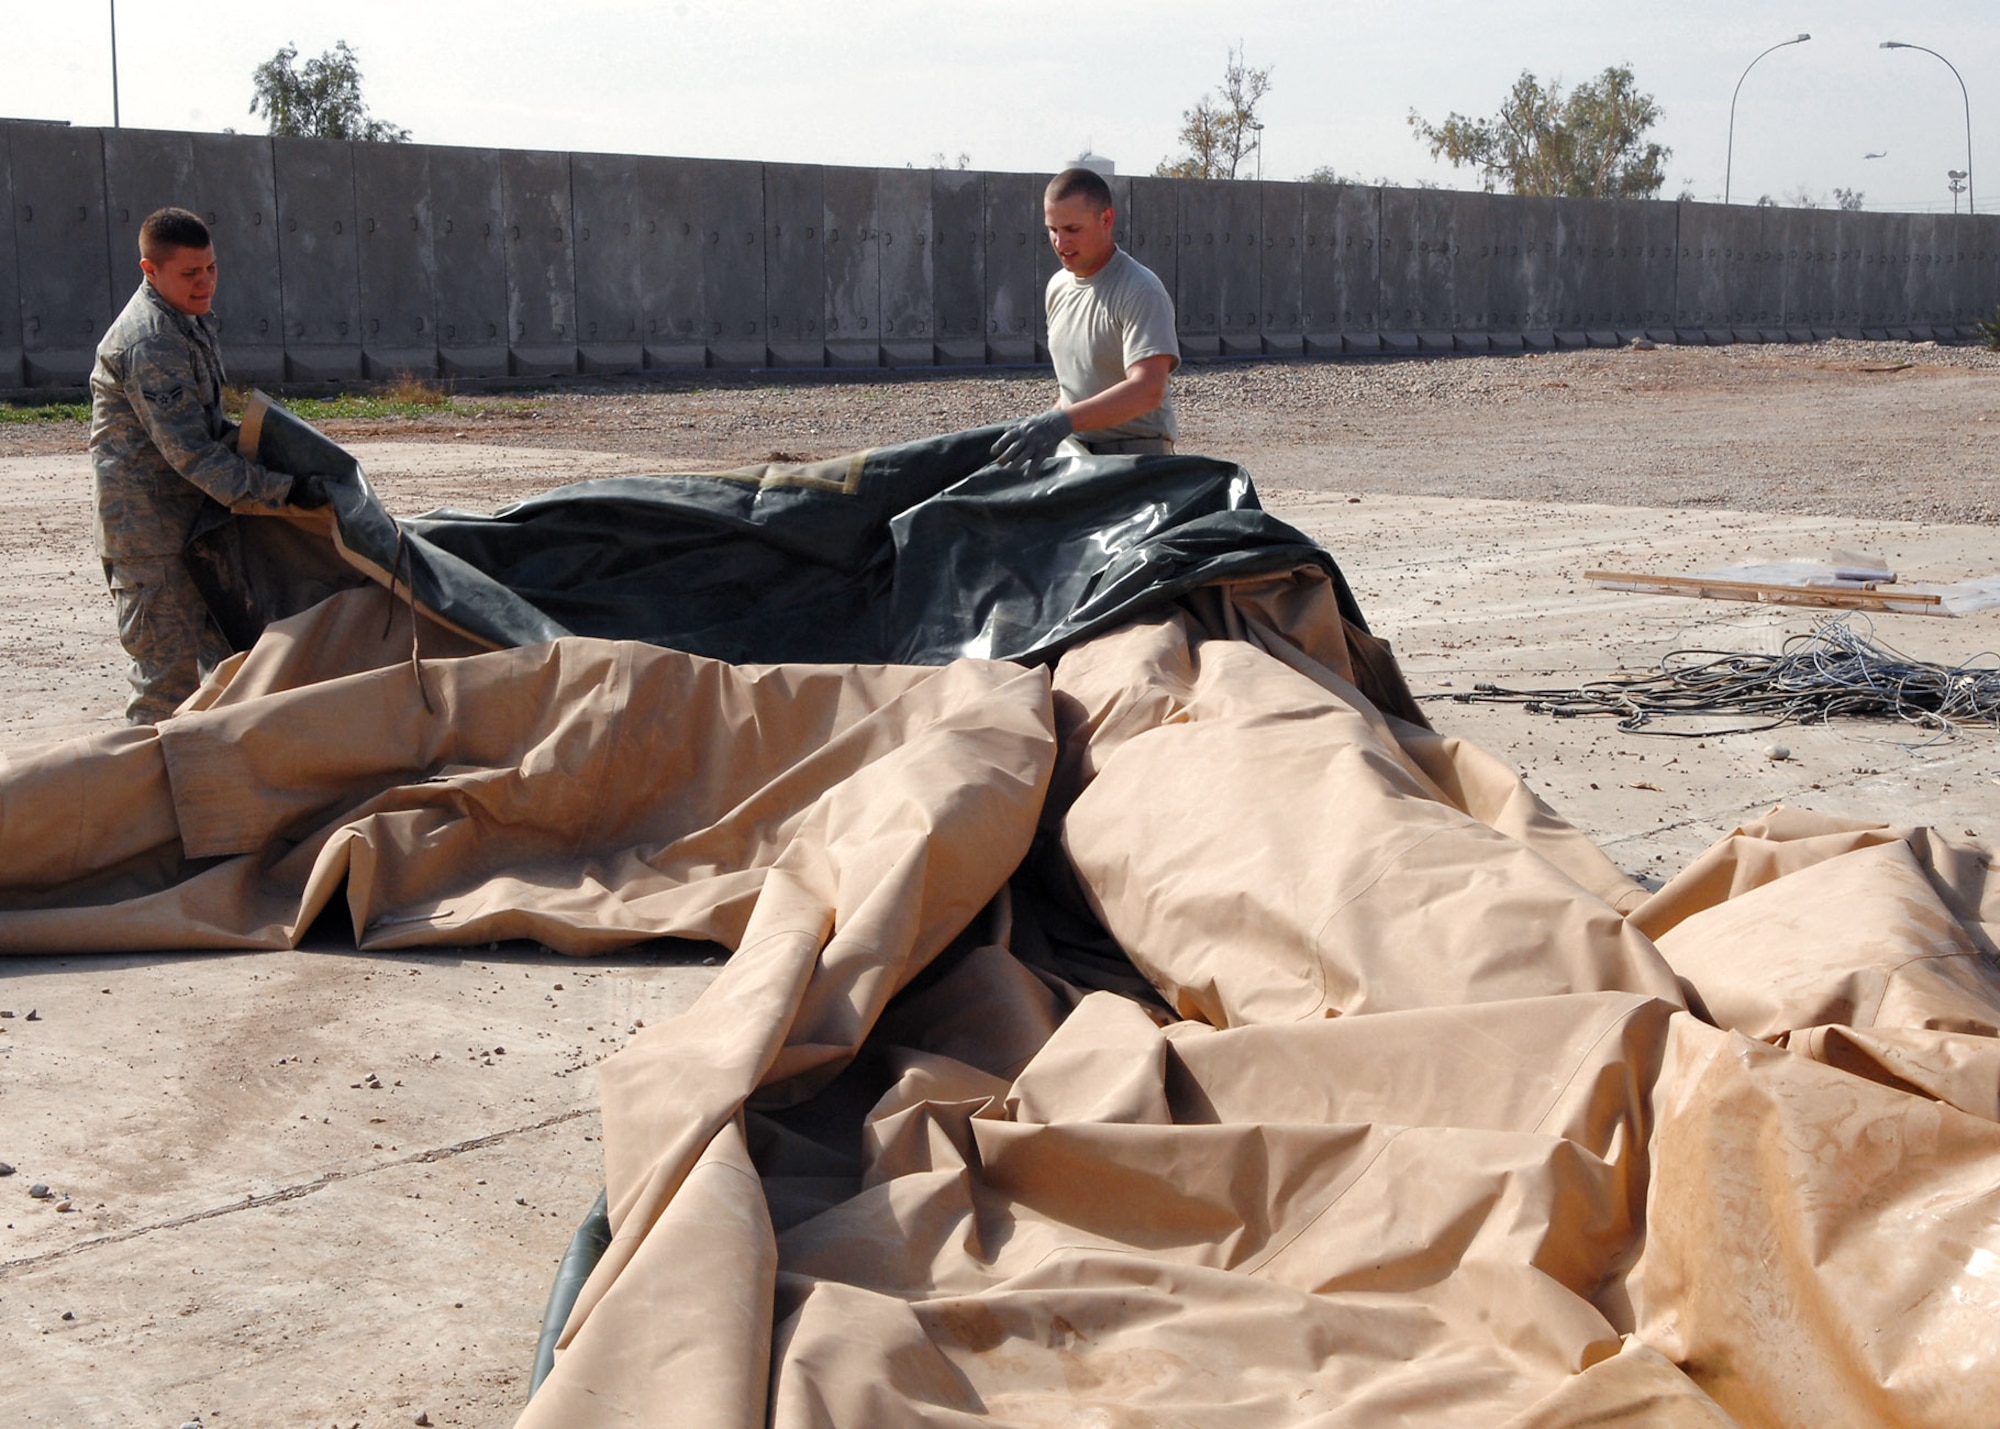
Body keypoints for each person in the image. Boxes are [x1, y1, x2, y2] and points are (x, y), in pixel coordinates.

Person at [89, 207, 326, 724]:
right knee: (165, 695)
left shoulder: (186, 323)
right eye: (190, 274)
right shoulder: (151, 340)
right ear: (150, 271)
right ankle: (145, 804)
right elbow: (193, 454)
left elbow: (213, 428)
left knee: (234, 676)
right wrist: (282, 491)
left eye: (211, 269)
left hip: (196, 531)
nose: (205, 284)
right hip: (152, 545)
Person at [991, 166, 1180, 470]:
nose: (1060, 242)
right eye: (1053, 229)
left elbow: (1148, 389)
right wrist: (1045, 427)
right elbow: (1077, 391)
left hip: (1136, 466)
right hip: (1075, 458)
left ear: (1106, 219)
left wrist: (1061, 422)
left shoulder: (1140, 290)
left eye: (1072, 230)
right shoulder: (1058, 288)